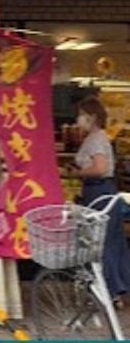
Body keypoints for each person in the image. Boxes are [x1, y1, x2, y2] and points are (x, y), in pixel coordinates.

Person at [68, 96, 130, 306]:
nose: (78, 119)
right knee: (111, 239)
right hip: (102, 191)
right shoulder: (98, 138)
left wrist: (79, 173)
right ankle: (116, 288)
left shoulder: (95, 140)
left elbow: (100, 168)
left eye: (81, 115)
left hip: (99, 192)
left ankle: (110, 290)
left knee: (101, 241)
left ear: (92, 117)